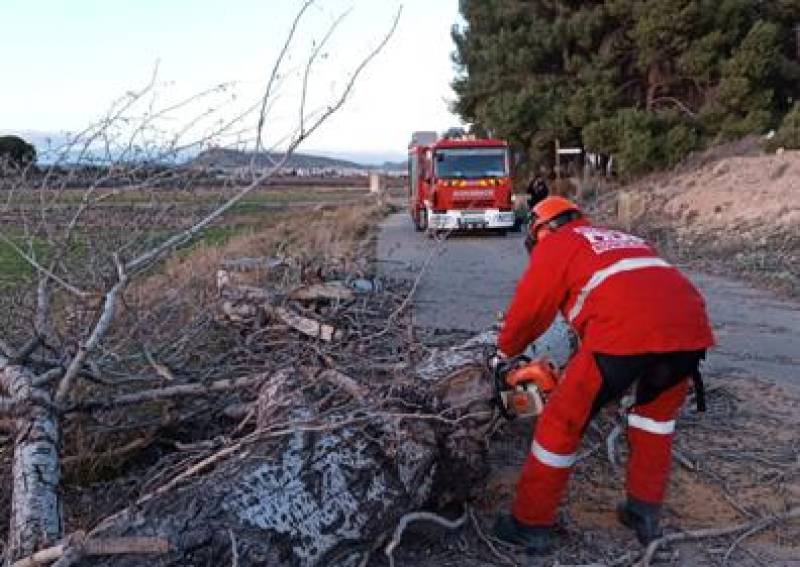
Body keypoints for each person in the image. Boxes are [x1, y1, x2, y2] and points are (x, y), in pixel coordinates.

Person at [492, 196, 714, 553]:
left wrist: (503, 352)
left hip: (623, 335)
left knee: (560, 422)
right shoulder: (622, 238)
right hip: (689, 332)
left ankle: (530, 525)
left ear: (542, 230)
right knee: (654, 420)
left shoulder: (559, 243)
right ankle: (643, 511)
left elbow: (530, 311)